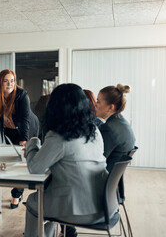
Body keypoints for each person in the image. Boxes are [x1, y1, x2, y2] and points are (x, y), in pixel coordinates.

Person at [24, 83, 109, 237]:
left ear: (55, 106)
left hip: (77, 210)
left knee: (34, 201)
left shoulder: (60, 136)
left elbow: (35, 168)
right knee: (48, 197)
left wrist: (33, 143)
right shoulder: (94, 130)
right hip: (103, 204)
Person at [0, 69, 39, 209]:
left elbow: (25, 119)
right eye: (6, 81)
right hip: (9, 128)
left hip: (28, 127)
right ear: (0, 83)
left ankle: (16, 194)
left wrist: (24, 139)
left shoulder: (21, 94)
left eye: (12, 81)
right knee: (12, 158)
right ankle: (18, 190)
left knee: (22, 160)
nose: (10, 84)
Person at [95, 84, 136, 172]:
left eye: (98, 101)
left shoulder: (109, 129)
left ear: (110, 107)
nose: (95, 105)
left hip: (101, 179)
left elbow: (96, 161)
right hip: (112, 180)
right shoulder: (122, 123)